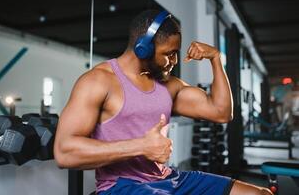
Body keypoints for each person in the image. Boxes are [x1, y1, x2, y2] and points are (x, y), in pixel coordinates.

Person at [54, 10, 272, 195]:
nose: (174, 61)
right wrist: (141, 146)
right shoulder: (98, 81)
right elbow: (65, 152)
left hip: (168, 178)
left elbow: (222, 112)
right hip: (121, 186)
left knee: (259, 194)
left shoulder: (168, 86)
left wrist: (215, 59)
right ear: (143, 48)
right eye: (169, 54)